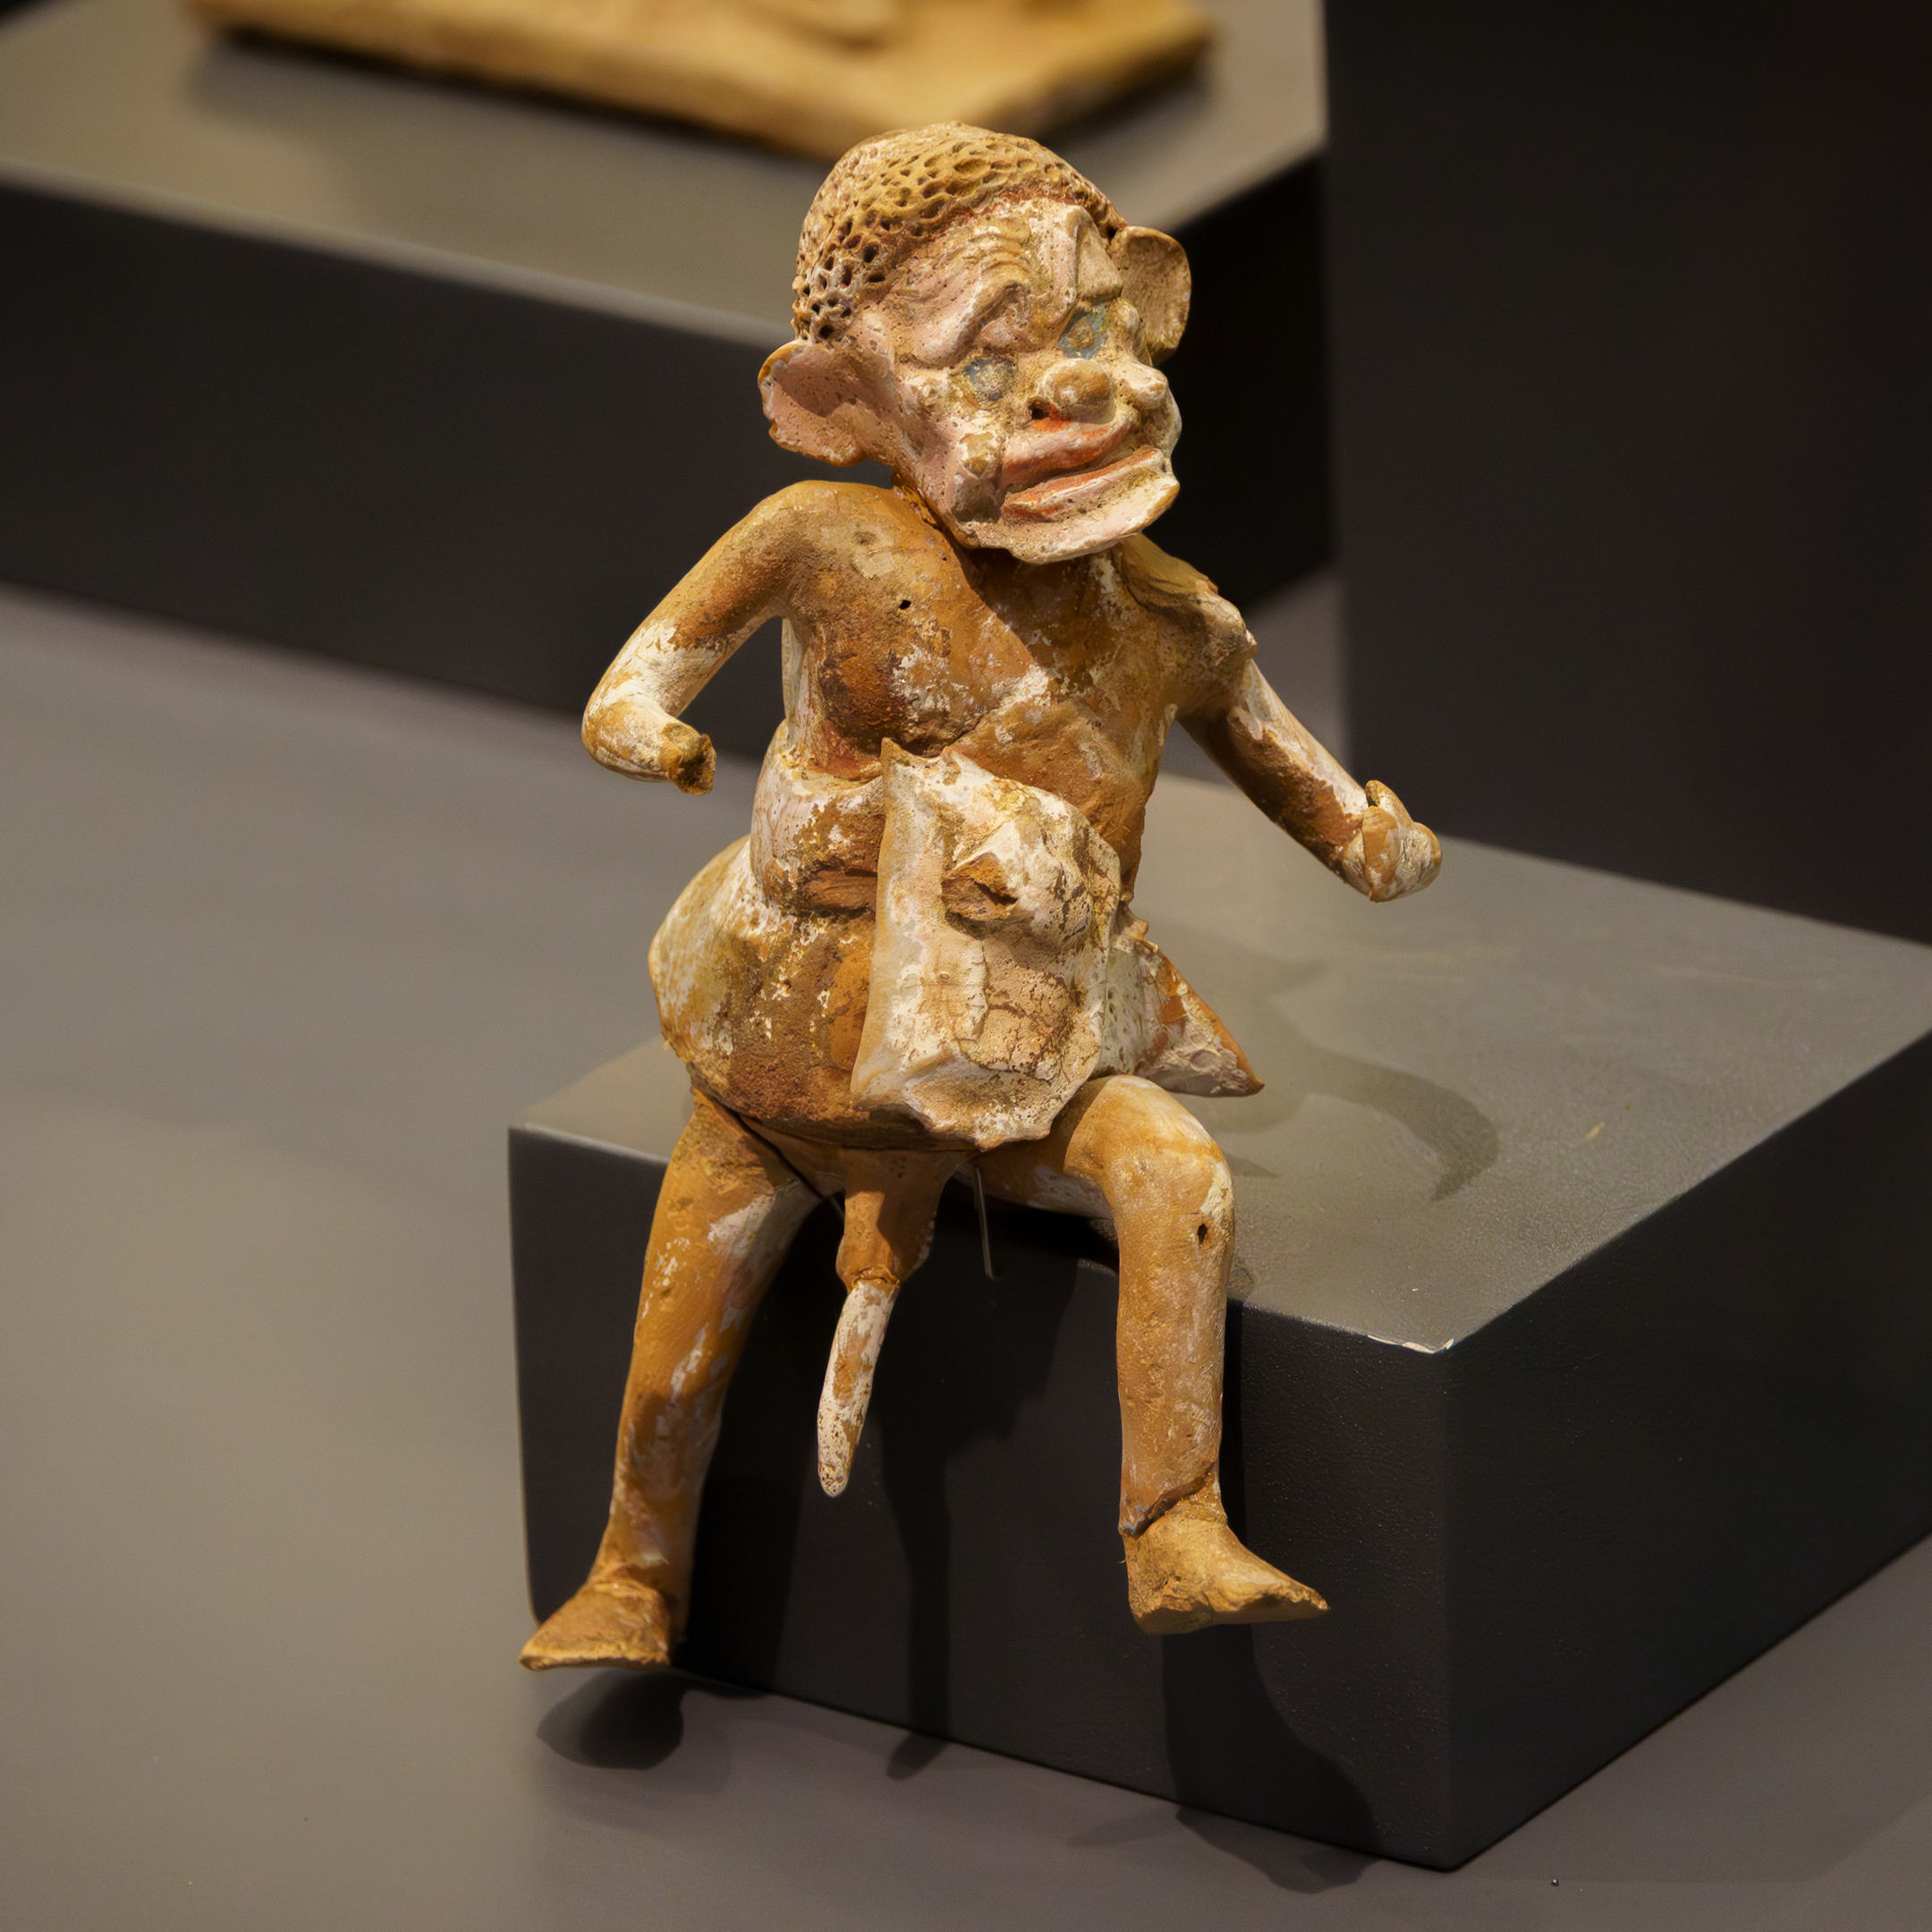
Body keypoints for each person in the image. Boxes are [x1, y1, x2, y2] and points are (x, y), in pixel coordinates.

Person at [521, 124, 1439, 1674]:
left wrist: (1381, 848)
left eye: (1097, 331)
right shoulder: (819, 543)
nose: (1077, 387)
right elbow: (638, 679)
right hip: (788, 1062)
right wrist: (645, 732)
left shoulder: (1170, 623)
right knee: (678, 1350)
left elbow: (1323, 801)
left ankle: (1174, 1522)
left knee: (1177, 1179)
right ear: (841, 400)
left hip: (1026, 1058)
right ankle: (632, 1573)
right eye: (989, 357)